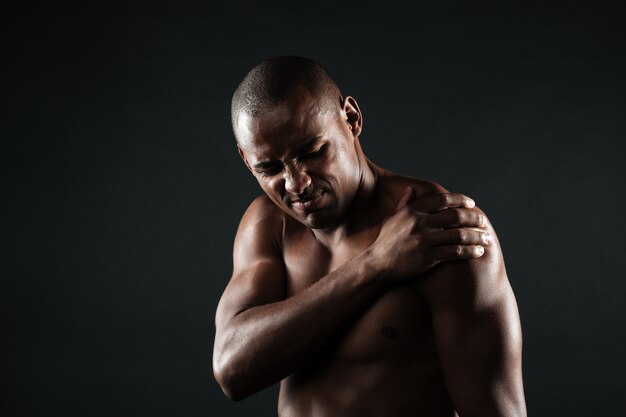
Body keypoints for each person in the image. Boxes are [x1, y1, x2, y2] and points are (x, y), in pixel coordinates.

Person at [213, 56, 526, 417]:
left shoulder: (441, 230)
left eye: (312, 152)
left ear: (351, 118)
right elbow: (232, 369)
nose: (296, 183)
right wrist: (376, 264)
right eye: (269, 168)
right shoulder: (269, 225)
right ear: (245, 160)